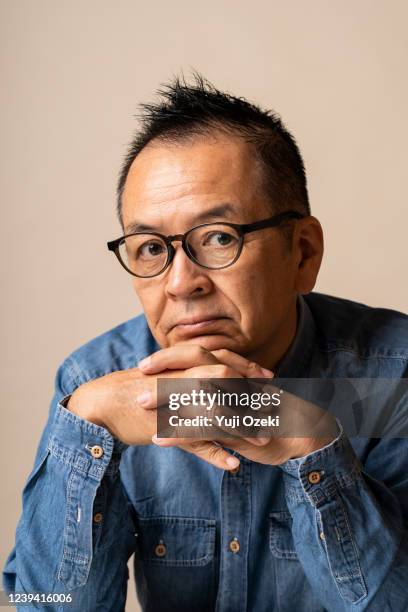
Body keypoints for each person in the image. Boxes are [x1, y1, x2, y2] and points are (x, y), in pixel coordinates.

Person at [3, 74, 408, 612]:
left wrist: (308, 439)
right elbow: (44, 604)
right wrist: (89, 423)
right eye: (150, 247)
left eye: (219, 237)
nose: (180, 282)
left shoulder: (391, 375)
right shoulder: (96, 383)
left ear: (303, 253)